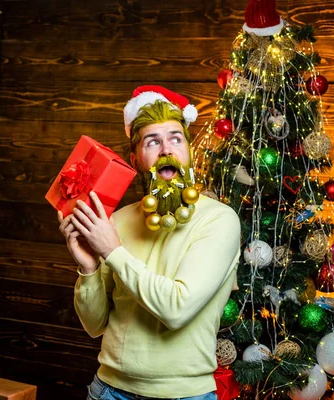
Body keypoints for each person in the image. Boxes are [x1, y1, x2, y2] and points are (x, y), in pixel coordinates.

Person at [57, 85, 241, 400]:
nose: (166, 149)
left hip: (184, 396)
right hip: (108, 391)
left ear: (188, 152)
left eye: (175, 138)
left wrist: (112, 251)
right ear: (136, 157)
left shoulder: (220, 221)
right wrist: (87, 267)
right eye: (152, 141)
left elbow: (176, 309)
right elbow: (94, 324)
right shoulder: (115, 221)